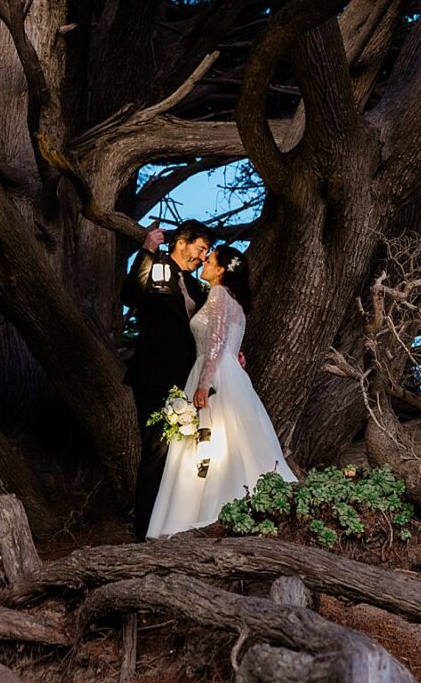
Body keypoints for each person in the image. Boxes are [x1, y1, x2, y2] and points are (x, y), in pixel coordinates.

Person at [145, 245, 297, 539]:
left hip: (214, 373)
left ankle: (205, 511)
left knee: (211, 439)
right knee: (226, 440)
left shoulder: (218, 294)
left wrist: (204, 384)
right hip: (229, 373)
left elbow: (215, 341)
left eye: (210, 259)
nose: (204, 260)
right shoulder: (234, 302)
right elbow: (224, 340)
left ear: (221, 270)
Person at [121, 219, 213, 542]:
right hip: (154, 376)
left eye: (207, 252)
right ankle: (145, 530)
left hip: (188, 379)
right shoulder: (157, 268)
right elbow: (130, 295)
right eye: (200, 248)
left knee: (184, 453)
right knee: (156, 450)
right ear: (181, 242)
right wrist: (146, 251)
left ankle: (174, 525)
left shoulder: (197, 287)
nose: (202, 257)